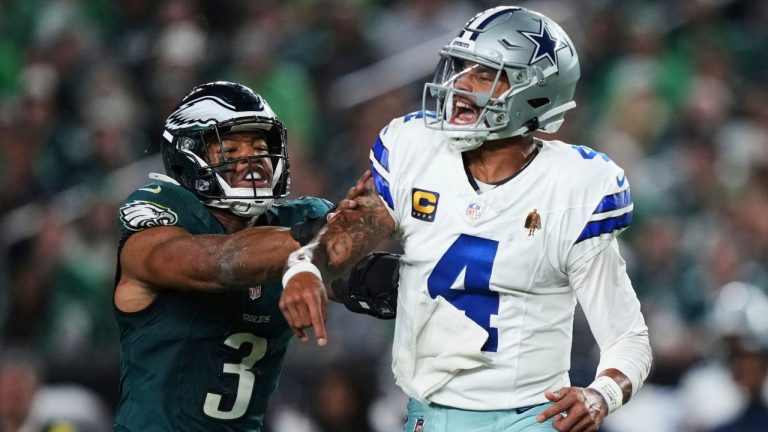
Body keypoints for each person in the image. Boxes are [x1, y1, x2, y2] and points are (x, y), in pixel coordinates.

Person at [280, 6, 652, 432]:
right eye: (462, 68)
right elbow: (348, 236)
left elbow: (628, 339)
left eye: (485, 74)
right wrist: (306, 267)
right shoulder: (415, 148)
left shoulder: (574, 188)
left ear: (534, 93)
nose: (461, 84)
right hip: (427, 417)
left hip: (531, 419)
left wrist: (601, 393)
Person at [112, 81, 399, 431]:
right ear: (188, 156)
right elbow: (218, 262)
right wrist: (323, 233)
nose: (254, 160)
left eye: (261, 147)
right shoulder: (162, 210)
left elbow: (361, 280)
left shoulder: (295, 220)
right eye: (231, 149)